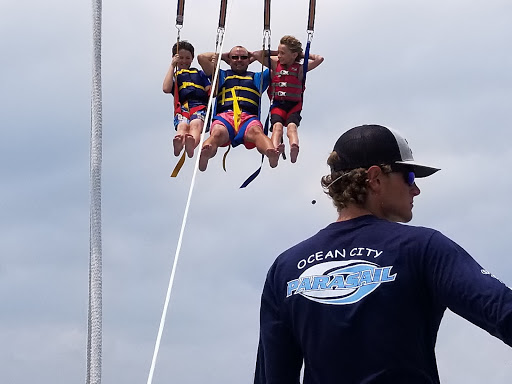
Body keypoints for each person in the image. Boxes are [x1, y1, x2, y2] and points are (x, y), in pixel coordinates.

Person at [254, 124, 512, 384]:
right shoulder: (423, 248)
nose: (416, 189)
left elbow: (272, 377)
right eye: (409, 176)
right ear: (375, 178)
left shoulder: (285, 268)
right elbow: (503, 310)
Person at [196, 46, 280, 172]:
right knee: (217, 133)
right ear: (229, 60)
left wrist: (257, 55)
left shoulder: (258, 78)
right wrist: (224, 56)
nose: (239, 60)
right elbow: (202, 58)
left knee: (257, 132)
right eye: (235, 57)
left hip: (248, 119)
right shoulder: (221, 75)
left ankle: (271, 153)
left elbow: (279, 62)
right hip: (225, 117)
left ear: (249, 60)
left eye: (243, 57)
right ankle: (205, 154)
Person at [253, 35, 324, 163]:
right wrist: (279, 52)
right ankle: (274, 150)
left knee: (292, 128)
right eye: (278, 52)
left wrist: (301, 55)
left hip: (294, 105)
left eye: (282, 53)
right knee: (277, 128)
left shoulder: (301, 69)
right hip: (278, 105)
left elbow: (320, 58)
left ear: (294, 55)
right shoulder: (275, 65)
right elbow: (257, 54)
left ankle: (294, 146)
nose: (279, 56)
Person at [163, 41, 211, 158]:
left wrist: (213, 69)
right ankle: (178, 143)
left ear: (192, 59)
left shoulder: (199, 74)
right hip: (183, 107)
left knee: (196, 124)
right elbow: (166, 88)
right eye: (181, 58)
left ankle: (191, 144)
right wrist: (172, 66)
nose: (184, 61)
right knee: (182, 126)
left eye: (187, 58)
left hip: (199, 106)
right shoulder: (175, 75)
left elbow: (210, 90)